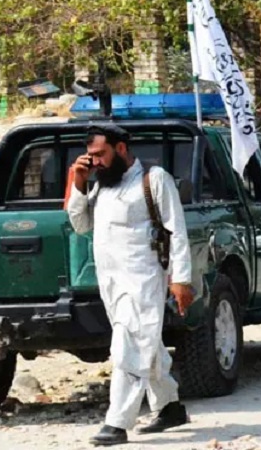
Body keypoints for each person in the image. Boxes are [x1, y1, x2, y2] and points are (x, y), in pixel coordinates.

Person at [67, 125, 194, 446]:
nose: (95, 162)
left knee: (128, 345)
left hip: (143, 280)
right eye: (90, 156)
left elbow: (177, 231)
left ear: (121, 148)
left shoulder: (154, 179)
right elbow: (81, 225)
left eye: (100, 154)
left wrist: (181, 279)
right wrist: (78, 184)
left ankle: (117, 422)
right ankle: (169, 407)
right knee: (144, 341)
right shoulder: (103, 186)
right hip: (111, 282)